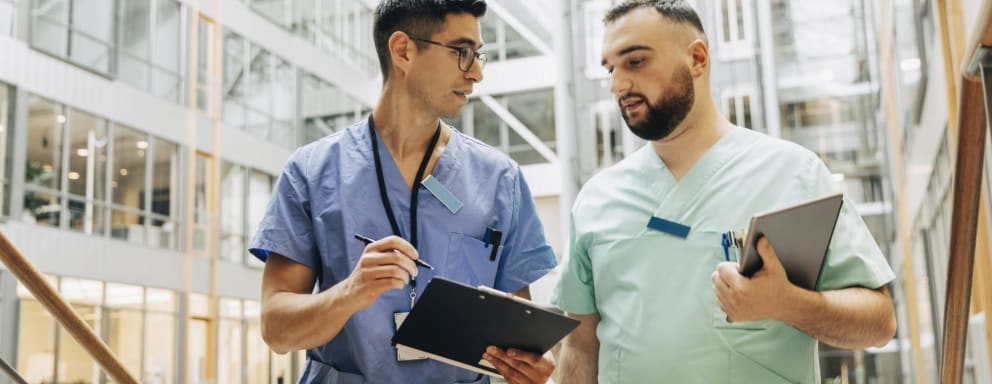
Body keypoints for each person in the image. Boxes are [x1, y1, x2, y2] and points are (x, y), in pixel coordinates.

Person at [553, 1, 897, 383]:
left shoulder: (792, 174)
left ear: (698, 58)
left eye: (635, 62)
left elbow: (878, 323)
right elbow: (580, 346)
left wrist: (790, 304)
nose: (617, 84)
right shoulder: (597, 200)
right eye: (609, 68)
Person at [249, 1, 557, 383]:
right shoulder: (312, 172)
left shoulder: (499, 180)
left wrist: (528, 366)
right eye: (462, 53)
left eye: (479, 55)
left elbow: (516, 338)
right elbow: (276, 330)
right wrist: (350, 293)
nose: (476, 73)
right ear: (403, 50)